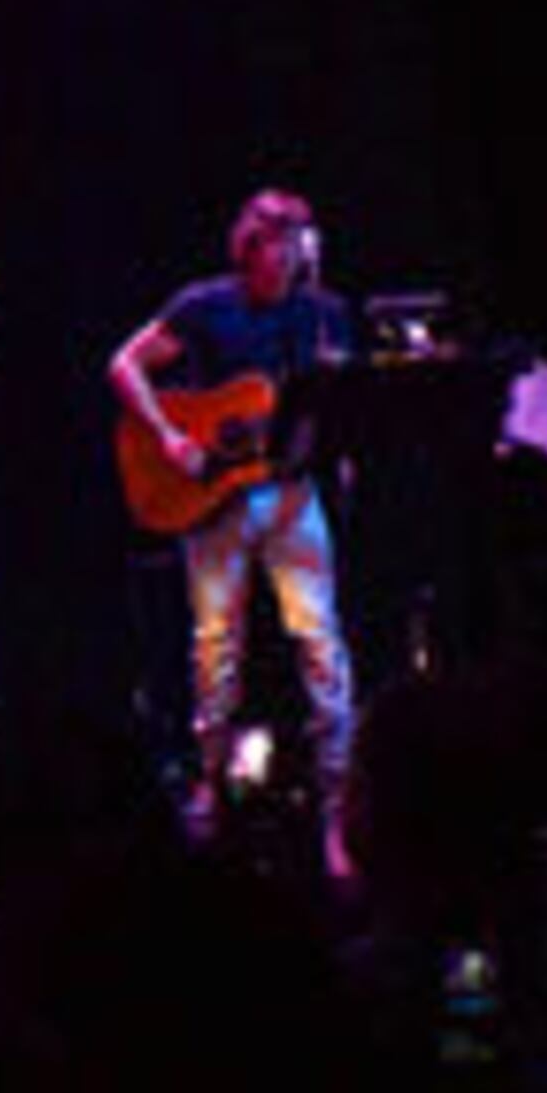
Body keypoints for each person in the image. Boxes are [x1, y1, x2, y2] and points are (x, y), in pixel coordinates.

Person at [109, 186, 359, 825]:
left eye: (296, 245)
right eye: (276, 244)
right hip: (216, 500)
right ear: (249, 247)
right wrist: (169, 436)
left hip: (291, 492)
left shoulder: (322, 314)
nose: (287, 258)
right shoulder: (204, 305)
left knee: (319, 637)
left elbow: (335, 404)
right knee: (216, 645)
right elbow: (124, 365)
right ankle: (213, 783)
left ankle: (339, 790)